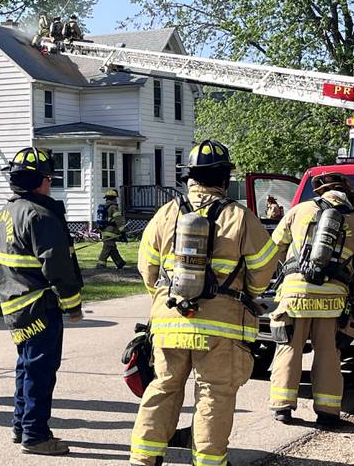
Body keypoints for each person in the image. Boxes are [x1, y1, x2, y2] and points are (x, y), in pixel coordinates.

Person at [129, 139, 278, 466]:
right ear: (225, 178)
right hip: (221, 329)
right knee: (214, 396)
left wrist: (163, 297)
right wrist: (246, 292)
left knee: (163, 387)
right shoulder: (240, 217)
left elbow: (147, 267)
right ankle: (209, 461)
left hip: (169, 322)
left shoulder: (166, 213)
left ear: (191, 178)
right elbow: (264, 269)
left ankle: (144, 457)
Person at [0, 147, 84, 456]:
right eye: (49, 179)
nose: (51, 184)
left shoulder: (7, 212)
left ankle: (21, 425)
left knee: (27, 367)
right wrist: (72, 305)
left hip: (15, 304)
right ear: (41, 181)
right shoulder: (40, 214)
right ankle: (36, 434)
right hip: (39, 306)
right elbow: (56, 265)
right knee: (41, 371)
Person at [268, 172, 354, 426]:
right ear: (347, 195)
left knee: (289, 347)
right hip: (333, 301)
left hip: (295, 295)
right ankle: (327, 413)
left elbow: (273, 250)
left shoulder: (297, 211)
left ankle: (283, 407)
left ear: (321, 193)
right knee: (328, 353)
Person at [96, 188, 127, 269]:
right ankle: (101, 264)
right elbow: (119, 220)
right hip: (111, 231)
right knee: (108, 247)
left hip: (104, 230)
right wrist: (123, 231)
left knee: (112, 247)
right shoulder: (113, 207)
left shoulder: (104, 207)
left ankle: (120, 263)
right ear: (114, 198)